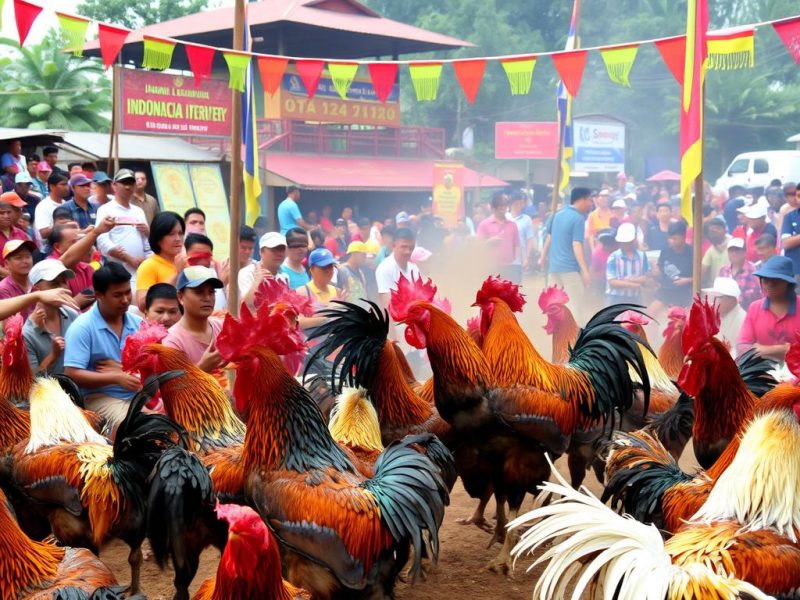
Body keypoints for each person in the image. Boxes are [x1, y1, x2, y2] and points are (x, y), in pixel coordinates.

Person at [63, 263, 143, 425]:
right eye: (118, 295)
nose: (126, 299)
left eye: (128, 292)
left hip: (137, 395)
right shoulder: (82, 327)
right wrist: (115, 377)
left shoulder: (138, 323)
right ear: (99, 295)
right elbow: (71, 373)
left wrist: (122, 371)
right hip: (99, 398)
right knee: (134, 425)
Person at [163, 266, 227, 388]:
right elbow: (173, 392)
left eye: (211, 292)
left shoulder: (223, 326)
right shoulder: (172, 341)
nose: (207, 298)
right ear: (180, 297)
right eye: (199, 292)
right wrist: (202, 369)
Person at [95, 169, 152, 291]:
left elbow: (147, 242)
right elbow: (102, 240)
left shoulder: (138, 211)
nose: (127, 187)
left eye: (131, 183)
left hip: (141, 271)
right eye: (124, 182)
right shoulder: (105, 210)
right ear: (114, 185)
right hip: (118, 272)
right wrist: (128, 258)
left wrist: (146, 259)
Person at [542, 187, 594, 321]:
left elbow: (549, 237)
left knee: (554, 306)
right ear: (581, 199)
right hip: (570, 270)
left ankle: (556, 336)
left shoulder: (556, 214)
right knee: (574, 307)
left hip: (554, 270)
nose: (590, 204)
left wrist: (542, 257)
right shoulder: (578, 218)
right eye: (589, 200)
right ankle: (574, 338)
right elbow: (577, 245)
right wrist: (585, 270)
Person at [737, 255, 800, 361]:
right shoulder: (754, 307)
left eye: (776, 280)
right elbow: (742, 346)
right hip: (762, 372)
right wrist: (787, 349)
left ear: (788, 283)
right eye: (766, 280)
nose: (770, 284)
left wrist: (766, 350)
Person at [22, 259, 80, 375]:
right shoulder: (27, 334)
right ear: (35, 291)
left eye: (64, 282)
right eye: (55, 284)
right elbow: (34, 381)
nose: (63, 289)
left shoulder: (72, 314)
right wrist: (53, 355)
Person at [135, 212, 186, 311]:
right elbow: (142, 304)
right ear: (158, 238)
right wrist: (176, 273)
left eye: (180, 233)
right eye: (171, 234)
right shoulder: (149, 265)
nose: (178, 239)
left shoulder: (187, 263)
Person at [477, 191, 520, 283]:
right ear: (493, 207)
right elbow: (477, 247)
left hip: (510, 268)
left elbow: (516, 244)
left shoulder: (512, 225)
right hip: (490, 268)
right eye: (499, 205)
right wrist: (489, 242)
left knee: (510, 295)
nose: (502, 208)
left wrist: (515, 260)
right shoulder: (484, 224)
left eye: (505, 205)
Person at [239, 231, 289, 308]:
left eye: (281, 249)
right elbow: (244, 305)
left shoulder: (284, 277)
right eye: (274, 249)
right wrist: (257, 282)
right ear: (261, 252)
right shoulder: (247, 273)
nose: (279, 253)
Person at [605, 222, 651, 306]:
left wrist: (633, 280)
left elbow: (646, 276)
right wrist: (632, 285)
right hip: (615, 298)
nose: (626, 244)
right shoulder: (613, 257)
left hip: (635, 298)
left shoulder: (642, 256)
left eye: (628, 241)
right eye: (623, 242)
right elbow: (612, 282)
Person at [375, 227, 420, 311]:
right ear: (393, 246)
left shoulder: (414, 268)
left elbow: (420, 295)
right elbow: (388, 305)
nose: (408, 251)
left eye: (411, 248)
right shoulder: (384, 269)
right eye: (403, 247)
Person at [701, 277, 746, 356]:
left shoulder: (743, 320)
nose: (713, 302)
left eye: (717, 297)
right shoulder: (711, 315)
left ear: (731, 299)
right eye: (712, 297)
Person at [654, 220, 693, 309]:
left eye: (675, 238)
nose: (671, 241)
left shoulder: (692, 253)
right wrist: (656, 271)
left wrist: (687, 280)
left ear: (683, 237)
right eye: (670, 238)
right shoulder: (665, 251)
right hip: (666, 290)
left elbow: (701, 277)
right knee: (651, 311)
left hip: (684, 293)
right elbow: (660, 267)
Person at [719, 237, 760, 310]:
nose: (734, 253)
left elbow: (756, 293)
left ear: (744, 252)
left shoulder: (753, 269)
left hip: (747, 311)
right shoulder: (723, 269)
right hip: (726, 310)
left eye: (737, 250)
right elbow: (719, 292)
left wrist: (732, 299)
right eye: (731, 250)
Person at [0, 239, 36, 317]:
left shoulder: (38, 282)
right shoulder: (3, 288)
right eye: (18, 258)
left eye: (28, 256)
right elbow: (9, 326)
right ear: (6, 264)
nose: (25, 261)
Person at [0, 195, 30, 276]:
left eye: (9, 212)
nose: (6, 216)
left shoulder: (21, 234)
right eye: (2, 213)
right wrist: (13, 277)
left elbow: (28, 256)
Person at [35, 172, 69, 241]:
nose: (66, 188)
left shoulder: (66, 204)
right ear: (52, 186)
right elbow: (43, 233)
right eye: (63, 184)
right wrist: (57, 225)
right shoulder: (43, 206)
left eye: (67, 184)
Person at [508, 191, 535, 277]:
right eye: (517, 204)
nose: (520, 206)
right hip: (503, 260)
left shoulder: (526, 219)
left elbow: (530, 239)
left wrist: (527, 257)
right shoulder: (504, 217)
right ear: (511, 204)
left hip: (519, 260)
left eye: (521, 204)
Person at [700, 217, 730, 286]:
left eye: (717, 229)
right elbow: (702, 271)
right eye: (712, 231)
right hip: (715, 287)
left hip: (731, 285)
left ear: (725, 230)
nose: (714, 233)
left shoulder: (732, 245)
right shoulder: (711, 250)